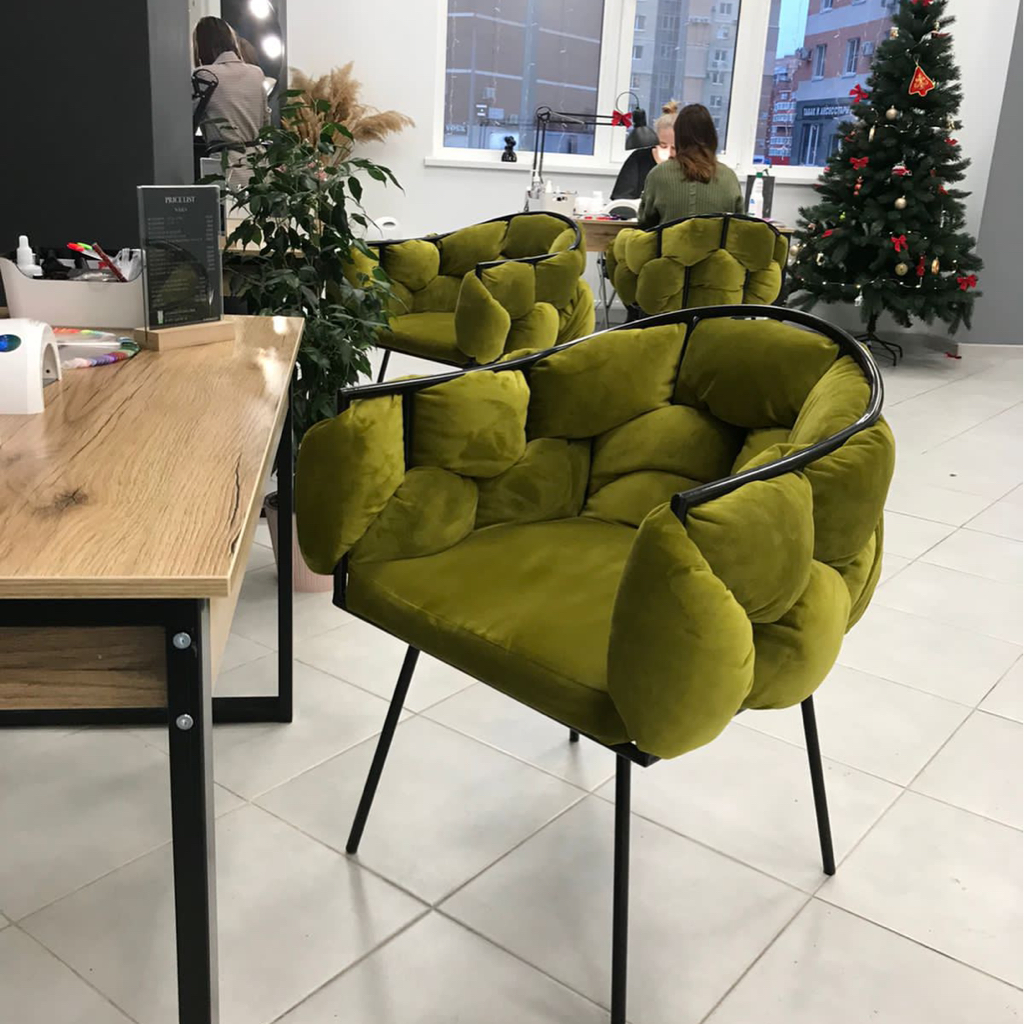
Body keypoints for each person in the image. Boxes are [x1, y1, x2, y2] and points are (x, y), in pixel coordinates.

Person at [637, 104, 743, 228]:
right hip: (715, 241)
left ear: (678, 137)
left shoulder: (658, 174)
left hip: (670, 241)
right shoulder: (729, 177)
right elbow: (740, 224)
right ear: (712, 137)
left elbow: (645, 222)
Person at [192, 16, 269, 183]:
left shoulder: (204, 75)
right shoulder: (256, 73)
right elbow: (265, 123)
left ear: (201, 45)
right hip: (259, 164)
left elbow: (187, 124)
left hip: (225, 164)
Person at [610, 100, 678, 201]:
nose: (668, 153)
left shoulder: (689, 164)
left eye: (674, 148)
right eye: (663, 146)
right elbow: (621, 198)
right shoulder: (639, 159)